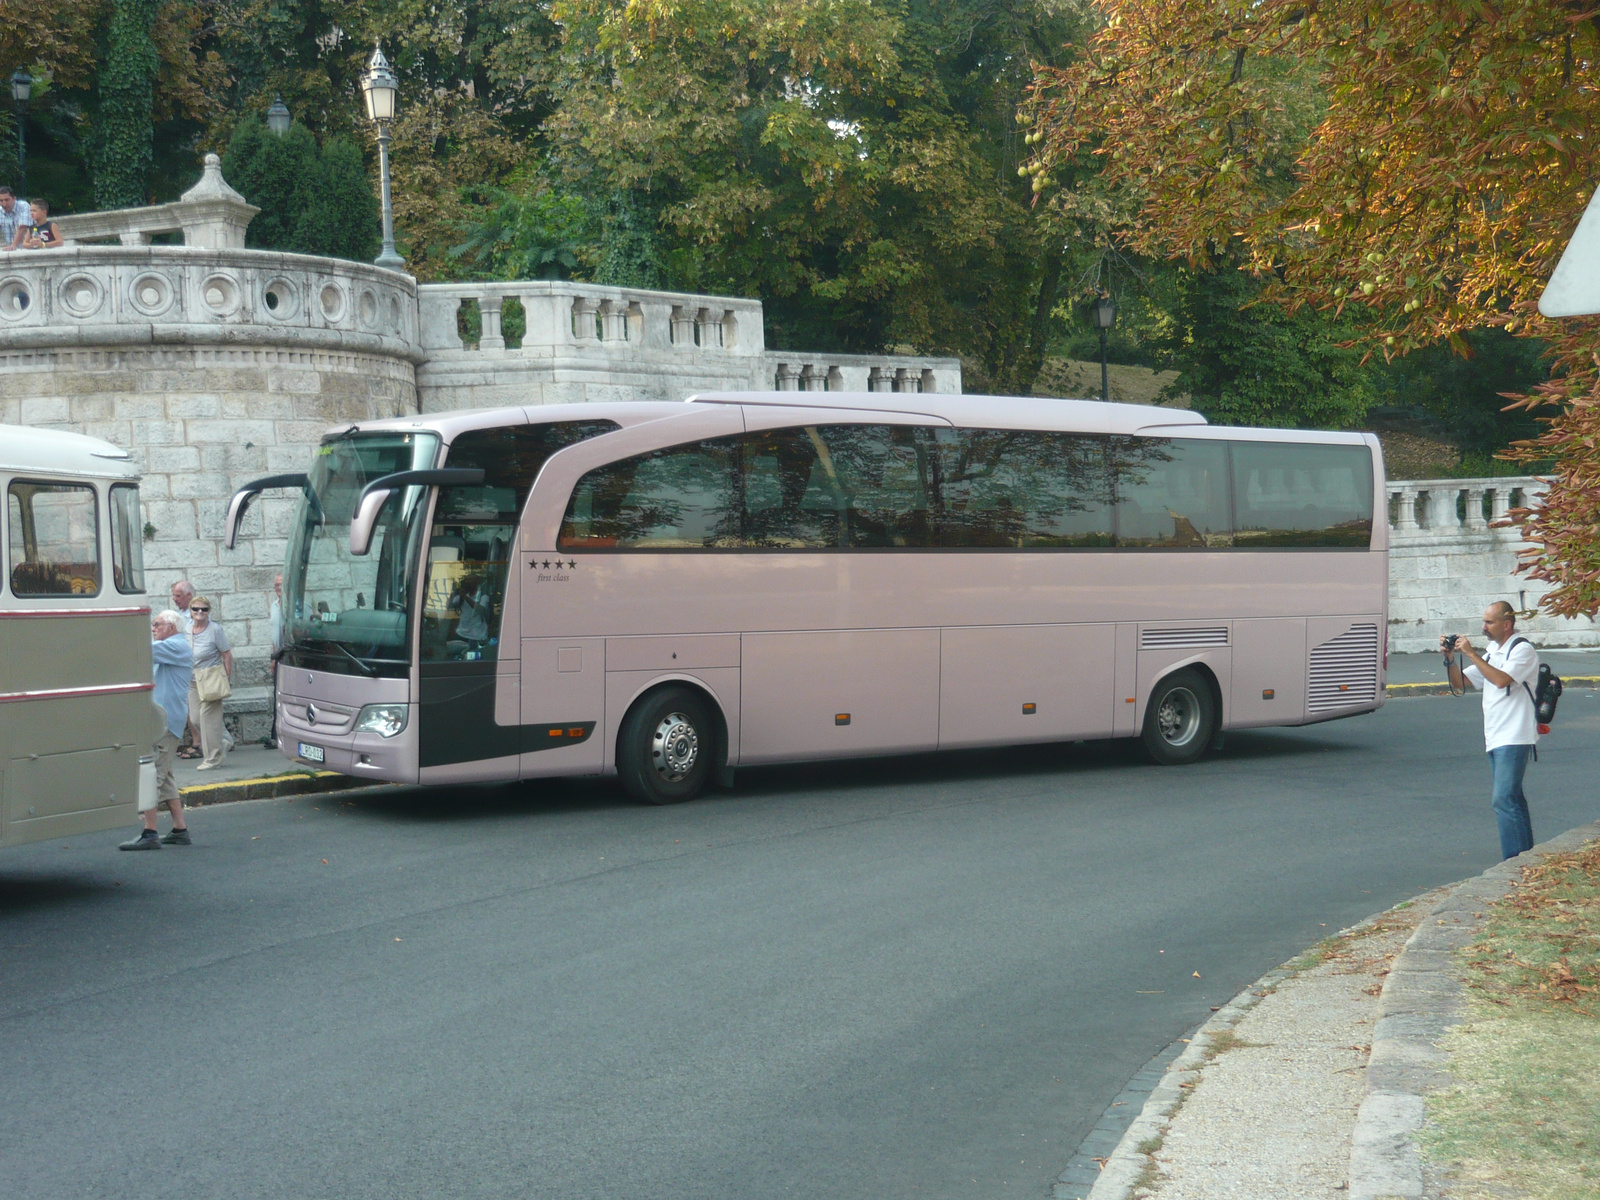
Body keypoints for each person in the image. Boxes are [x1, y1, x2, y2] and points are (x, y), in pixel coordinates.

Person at [1443, 601, 1540, 860]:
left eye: (1490, 622)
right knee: (1512, 799)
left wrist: (1472, 653)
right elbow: (1460, 682)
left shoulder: (1522, 650)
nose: (1483, 627)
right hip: (1496, 736)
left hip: (1515, 735)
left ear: (1507, 624)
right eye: (1484, 621)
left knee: (1503, 799)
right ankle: (1524, 860)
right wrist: (1450, 658)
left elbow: (1500, 680)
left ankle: (1514, 860)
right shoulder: (1492, 653)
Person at [121, 612, 195, 850]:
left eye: (157, 624)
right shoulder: (170, 646)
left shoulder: (176, 646)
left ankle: (150, 832)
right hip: (162, 720)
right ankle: (180, 829)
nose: (153, 628)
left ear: (172, 627)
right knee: (166, 776)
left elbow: (144, 649)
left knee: (152, 775)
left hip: (166, 722)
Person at [186, 596, 233, 769]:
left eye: (204, 609)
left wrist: (226, 678)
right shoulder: (187, 628)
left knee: (207, 718)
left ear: (209, 612)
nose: (200, 612)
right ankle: (223, 741)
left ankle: (212, 758)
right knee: (195, 719)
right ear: (190, 611)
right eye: (196, 609)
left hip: (211, 678)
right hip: (192, 680)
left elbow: (227, 654)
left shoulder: (215, 630)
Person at [449, 573, 492, 652]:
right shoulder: (462, 595)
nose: (468, 583)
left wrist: (465, 597)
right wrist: (456, 593)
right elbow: (452, 604)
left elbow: (481, 609)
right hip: (461, 633)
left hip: (476, 635)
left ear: (477, 583)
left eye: (471, 580)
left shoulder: (483, 597)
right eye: (467, 581)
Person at [268, 574, 283, 745]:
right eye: (276, 585)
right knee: (277, 695)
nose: (278, 588)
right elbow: (274, 636)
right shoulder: (274, 606)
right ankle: (275, 734)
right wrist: (272, 659)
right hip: (278, 656)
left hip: (292, 658)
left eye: (281, 584)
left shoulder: (300, 607)